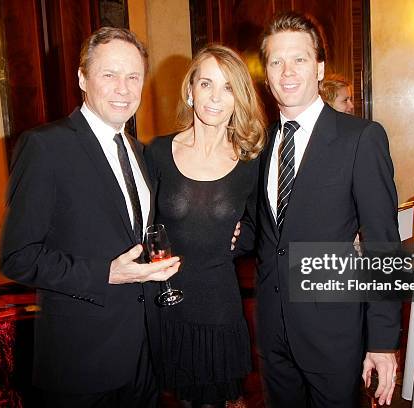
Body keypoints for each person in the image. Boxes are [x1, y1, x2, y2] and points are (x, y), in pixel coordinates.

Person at [0, 27, 181, 408]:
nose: (124, 88)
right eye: (109, 74)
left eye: (133, 76)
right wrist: (106, 273)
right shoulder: (46, 147)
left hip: (143, 354)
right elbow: (17, 256)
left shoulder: (137, 149)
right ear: (82, 78)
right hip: (81, 361)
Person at [255, 12, 401, 407]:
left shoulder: (361, 138)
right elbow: (265, 231)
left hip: (333, 333)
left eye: (299, 59)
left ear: (319, 68)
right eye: (276, 61)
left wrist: (383, 342)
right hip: (272, 331)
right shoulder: (259, 144)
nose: (287, 72)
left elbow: (383, 245)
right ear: (266, 73)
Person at [144, 44, 266, 408]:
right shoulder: (157, 152)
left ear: (238, 97)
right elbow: (140, 224)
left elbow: (264, 230)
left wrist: (240, 238)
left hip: (217, 303)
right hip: (165, 299)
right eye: (206, 84)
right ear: (190, 90)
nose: (216, 97)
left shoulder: (251, 161)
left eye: (228, 87)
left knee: (211, 401)